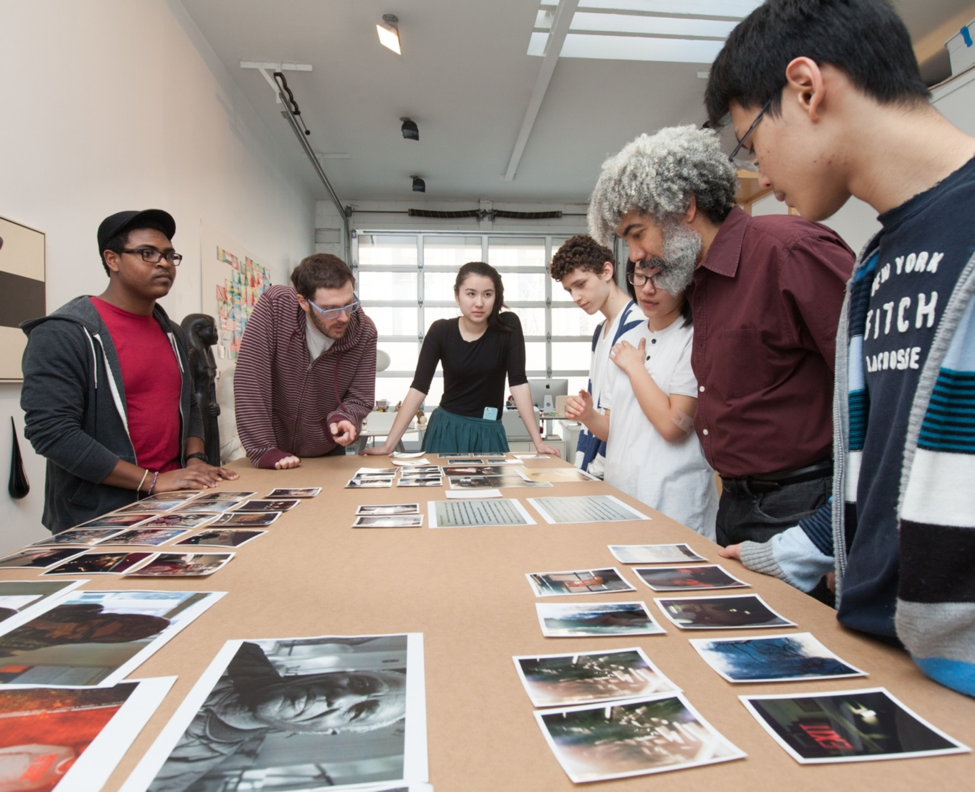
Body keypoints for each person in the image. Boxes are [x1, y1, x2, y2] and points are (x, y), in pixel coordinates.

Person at [704, 0, 975, 696]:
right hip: (888, 662)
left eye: (749, 141)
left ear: (804, 87)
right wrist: (787, 554)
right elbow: (878, 469)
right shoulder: (872, 264)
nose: (758, 173)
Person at [588, 126, 854, 558]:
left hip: (804, 504)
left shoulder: (789, 252)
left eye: (637, 233)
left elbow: (877, 392)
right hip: (737, 505)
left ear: (685, 206)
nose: (635, 255)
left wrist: (843, 527)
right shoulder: (696, 284)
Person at [20, 210, 238, 534]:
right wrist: (150, 481)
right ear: (112, 259)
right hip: (99, 518)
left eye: (169, 255)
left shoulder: (173, 333)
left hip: (175, 505)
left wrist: (195, 459)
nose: (163, 263)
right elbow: (52, 433)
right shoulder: (64, 333)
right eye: (147, 254)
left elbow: (188, 403)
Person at [565, 260, 718, 538]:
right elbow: (612, 429)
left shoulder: (695, 338)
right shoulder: (628, 338)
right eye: (640, 277)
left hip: (674, 501)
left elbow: (674, 426)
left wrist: (635, 368)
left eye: (659, 279)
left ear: (684, 281)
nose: (647, 290)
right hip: (622, 493)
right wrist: (588, 415)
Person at [149, 641, 407, 790]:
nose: (340, 698)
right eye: (361, 684)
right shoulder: (237, 647)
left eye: (358, 712)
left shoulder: (170, 777)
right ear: (340, 673)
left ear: (326, 731)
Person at [364, 262, 561, 455]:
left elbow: (518, 383)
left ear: (496, 297)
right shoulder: (441, 331)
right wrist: (389, 445)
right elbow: (418, 389)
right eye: (471, 294)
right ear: (457, 296)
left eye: (487, 294)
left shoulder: (508, 326)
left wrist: (538, 442)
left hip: (488, 431)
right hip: (447, 430)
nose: (479, 303)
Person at [234, 254, 377, 468]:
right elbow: (250, 381)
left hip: (327, 453)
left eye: (349, 305)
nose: (344, 318)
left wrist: (344, 418)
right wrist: (262, 449)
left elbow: (360, 396)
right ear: (303, 302)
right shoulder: (275, 306)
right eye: (330, 309)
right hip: (270, 452)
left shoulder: (365, 332)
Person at [549, 235, 642, 477]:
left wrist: (587, 414)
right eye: (570, 289)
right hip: (602, 463)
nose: (575, 297)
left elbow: (627, 422)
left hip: (628, 466)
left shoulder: (637, 326)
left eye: (581, 284)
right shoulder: (601, 331)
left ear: (606, 271)